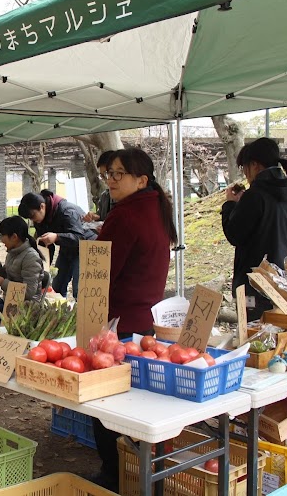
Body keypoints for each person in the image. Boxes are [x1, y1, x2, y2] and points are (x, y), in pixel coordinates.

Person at [88, 148, 178, 492]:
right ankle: (139, 474)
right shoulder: (156, 207)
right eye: (108, 173)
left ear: (141, 180)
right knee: (137, 404)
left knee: (105, 403)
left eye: (118, 174)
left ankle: (113, 476)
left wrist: (87, 316)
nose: (111, 180)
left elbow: (101, 274)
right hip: (146, 323)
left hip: (119, 324)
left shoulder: (125, 216)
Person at [222, 137, 287, 320]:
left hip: (254, 283)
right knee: (277, 334)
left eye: (245, 168)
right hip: (282, 279)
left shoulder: (255, 196)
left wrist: (230, 205)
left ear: (255, 165)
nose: (246, 174)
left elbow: (234, 234)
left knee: (254, 338)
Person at [17, 189, 96, 298]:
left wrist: (57, 237)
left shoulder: (67, 211)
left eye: (32, 216)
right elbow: (46, 246)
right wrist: (43, 267)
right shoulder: (39, 219)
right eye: (30, 218)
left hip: (85, 248)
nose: (33, 220)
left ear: (42, 206)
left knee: (80, 290)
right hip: (66, 248)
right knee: (57, 286)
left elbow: (79, 237)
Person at [0, 216, 45, 322]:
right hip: (11, 301)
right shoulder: (12, 252)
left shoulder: (31, 257)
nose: (1, 239)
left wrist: (2, 282)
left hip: (26, 308)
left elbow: (28, 292)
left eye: (2, 235)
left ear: (14, 237)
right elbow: (7, 275)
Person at [83, 150, 116, 224]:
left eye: (110, 174)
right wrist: (95, 217)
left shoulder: (133, 200)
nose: (107, 181)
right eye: (102, 176)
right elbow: (101, 217)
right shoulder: (105, 196)